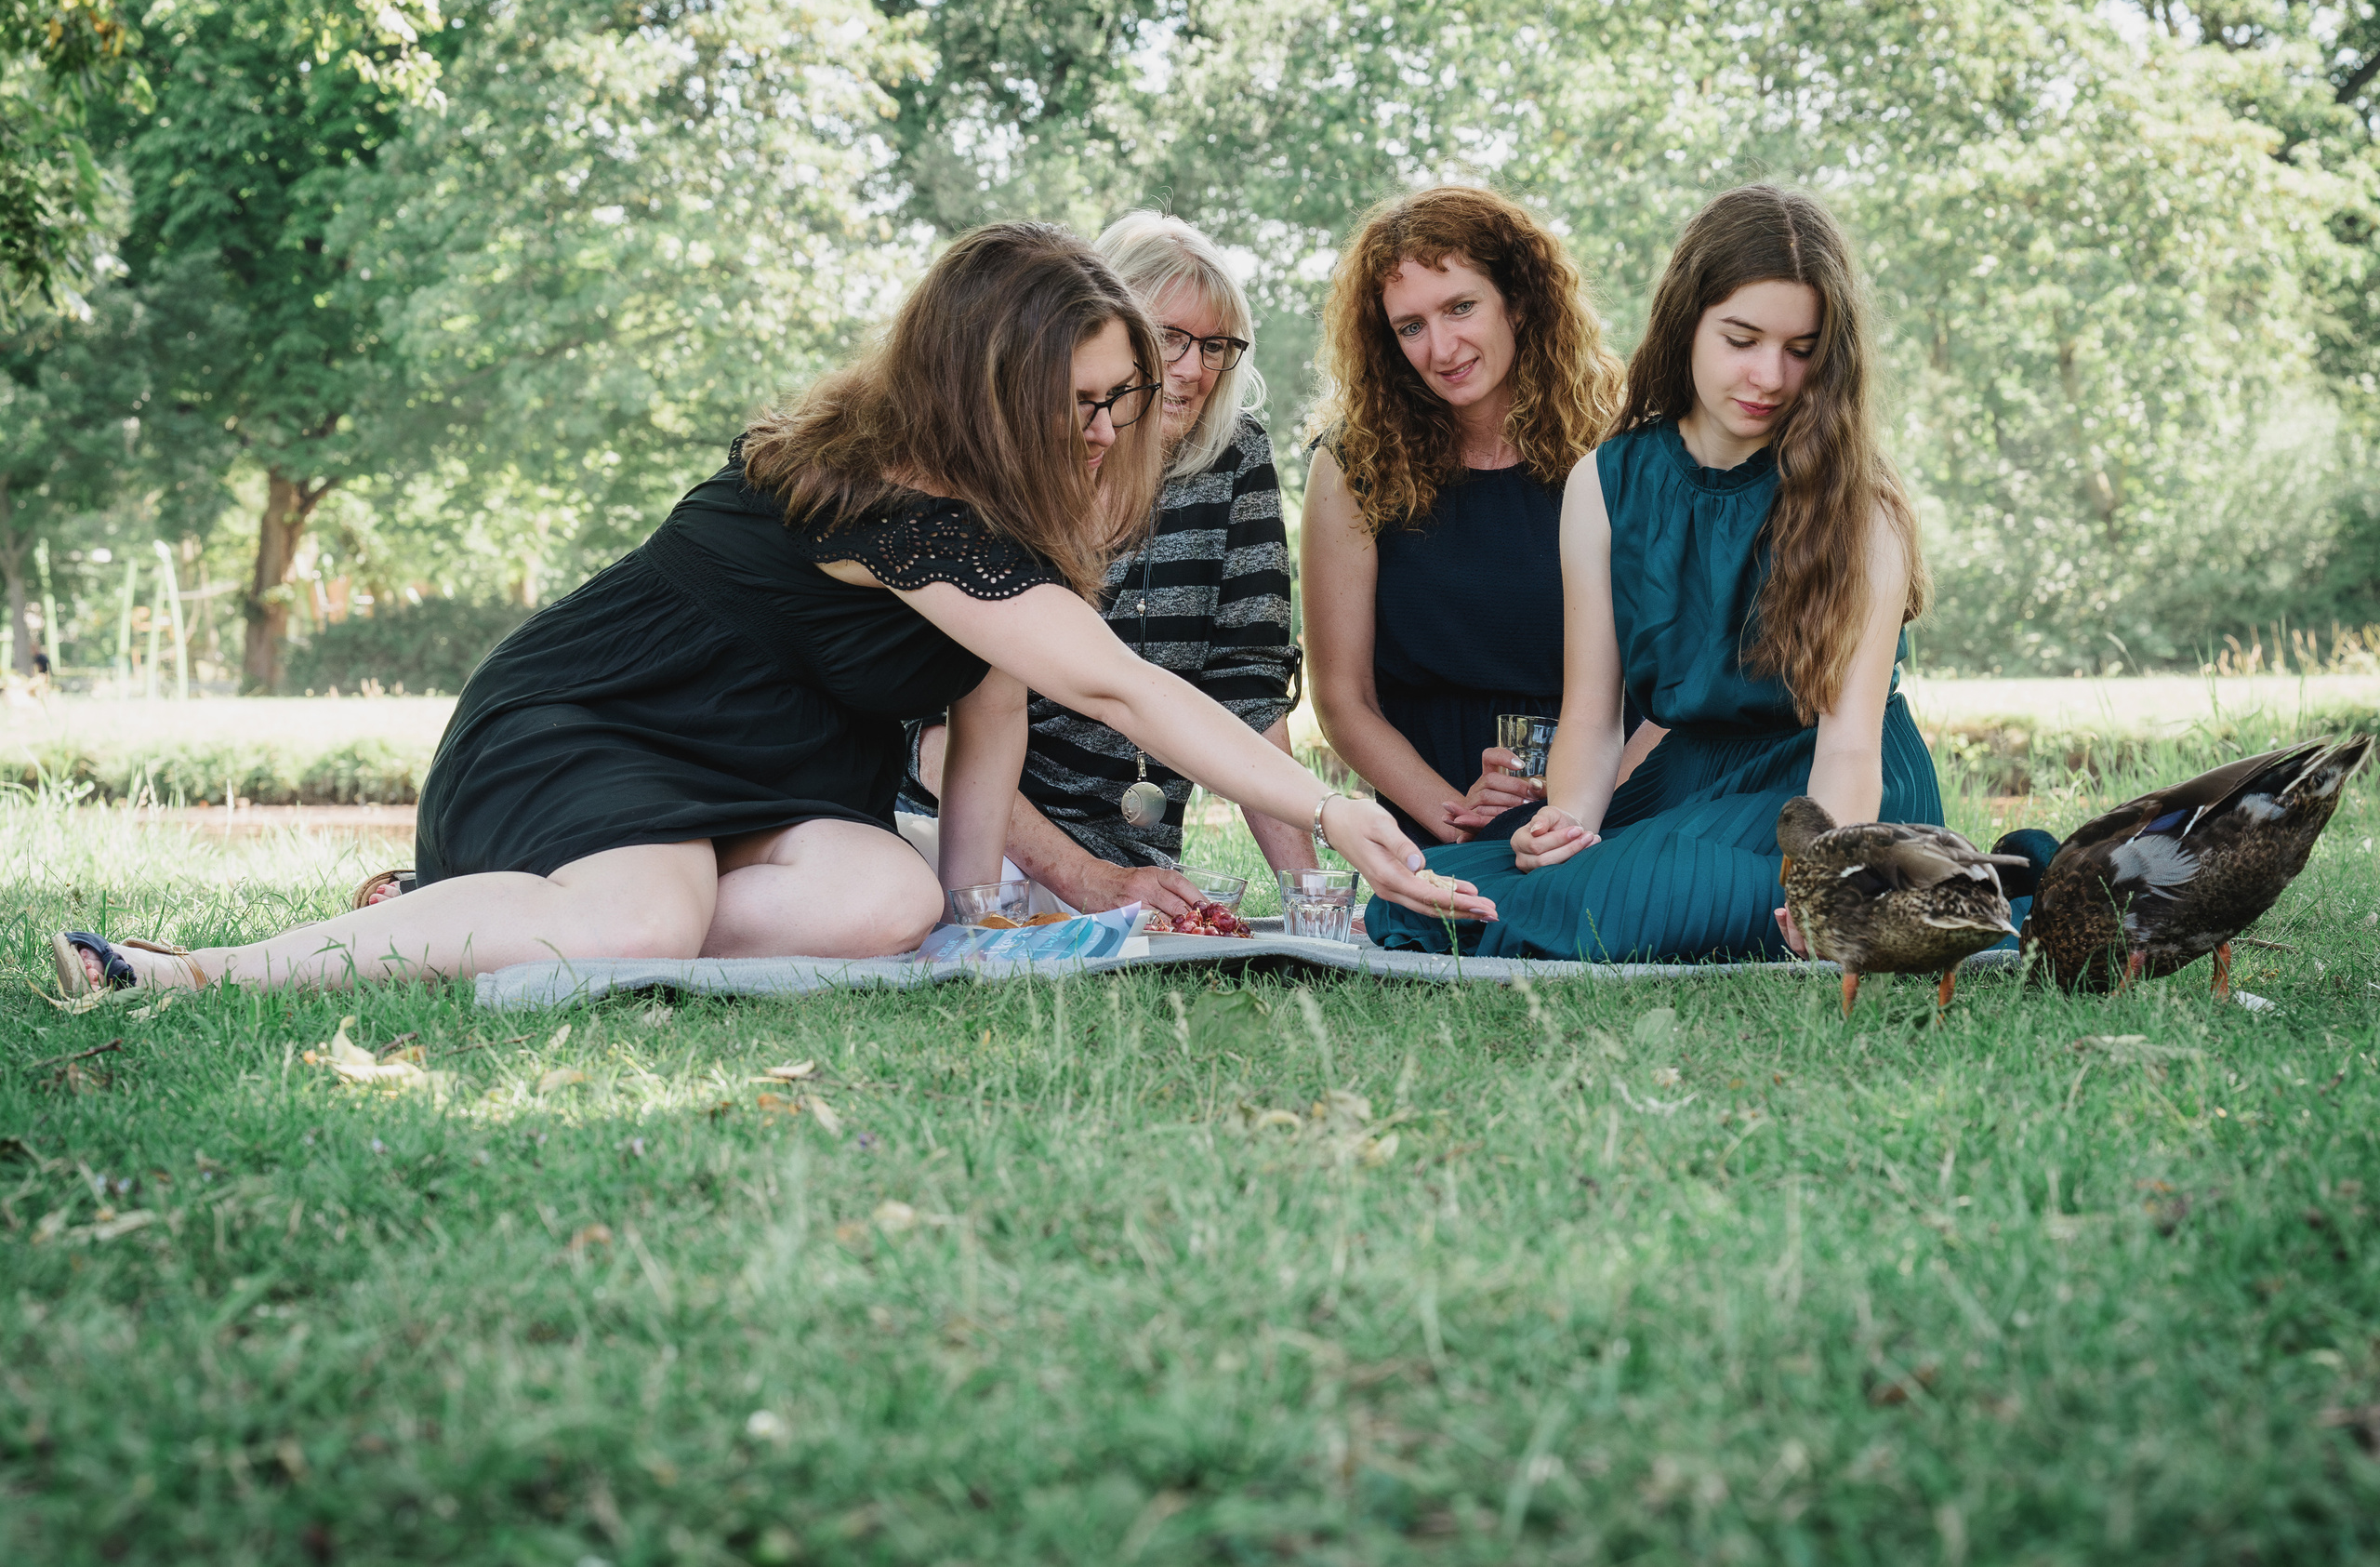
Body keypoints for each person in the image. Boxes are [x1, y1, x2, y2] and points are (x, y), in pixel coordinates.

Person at [54, 222, 1488, 994]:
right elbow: (1113, 683)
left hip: (763, 779)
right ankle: (197, 971)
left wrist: (978, 910)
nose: (1115, 426)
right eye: (1088, 399)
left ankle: (505, 919)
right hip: (590, 726)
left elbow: (989, 713)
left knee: (888, 898)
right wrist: (1343, 814)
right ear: (990, 389)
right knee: (638, 915)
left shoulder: (996, 517)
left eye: (1119, 394)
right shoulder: (882, 498)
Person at [1367, 183, 1940, 961]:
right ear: (1688, 324)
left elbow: (1848, 746)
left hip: (1825, 795)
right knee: (1425, 892)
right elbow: (1595, 716)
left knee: (1644, 893)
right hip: (1687, 782)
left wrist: (1821, 882)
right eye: (1741, 339)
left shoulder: (1860, 505)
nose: (1770, 376)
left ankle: (1895, 891)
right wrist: (1567, 822)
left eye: (1800, 350)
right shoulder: (1605, 484)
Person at [900, 211, 1313, 918]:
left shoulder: (1237, 456)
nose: (1193, 368)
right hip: (967, 837)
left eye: (1216, 345)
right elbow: (932, 734)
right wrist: (1082, 877)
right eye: (1169, 338)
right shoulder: (1010, 458)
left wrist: (1311, 903)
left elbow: (1248, 688)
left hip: (1131, 865)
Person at [1301, 184, 1633, 850]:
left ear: (1518, 298)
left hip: (1611, 795)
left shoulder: (1618, 445)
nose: (1442, 348)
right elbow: (1343, 699)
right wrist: (1456, 814)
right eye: (1411, 327)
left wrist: (1576, 804)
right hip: (1433, 810)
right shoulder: (1352, 465)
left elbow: (1661, 673)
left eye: (1461, 307)